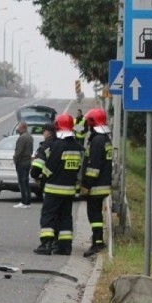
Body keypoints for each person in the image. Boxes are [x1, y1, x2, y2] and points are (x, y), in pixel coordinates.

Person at [33, 113, 84, 255]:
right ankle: (65, 246)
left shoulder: (53, 146)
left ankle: (46, 245)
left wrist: (38, 175)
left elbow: (38, 166)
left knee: (49, 216)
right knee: (65, 218)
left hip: (53, 189)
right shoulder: (79, 148)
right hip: (70, 191)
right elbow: (81, 171)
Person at [81, 107, 113, 257]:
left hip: (96, 185)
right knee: (96, 214)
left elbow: (94, 165)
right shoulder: (105, 138)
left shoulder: (97, 140)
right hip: (103, 183)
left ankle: (97, 243)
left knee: (94, 215)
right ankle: (98, 240)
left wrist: (86, 184)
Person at [30, 121, 56, 203]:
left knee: (49, 211)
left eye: (44, 131)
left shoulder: (45, 146)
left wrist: (34, 174)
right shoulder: (60, 144)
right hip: (65, 182)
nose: (43, 133)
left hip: (49, 182)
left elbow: (39, 164)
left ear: (48, 133)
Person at [12, 121, 34, 209]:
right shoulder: (30, 137)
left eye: (19, 127)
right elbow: (31, 150)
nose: (17, 129)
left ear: (23, 128)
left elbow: (19, 151)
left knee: (22, 182)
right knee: (26, 182)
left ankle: (24, 201)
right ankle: (28, 201)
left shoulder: (22, 138)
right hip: (28, 161)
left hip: (21, 162)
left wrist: (15, 159)